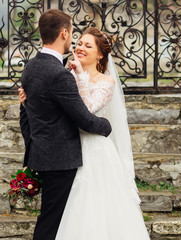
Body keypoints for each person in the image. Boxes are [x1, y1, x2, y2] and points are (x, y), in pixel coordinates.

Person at [20, 27, 150, 239]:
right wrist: (29, 98)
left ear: (100, 54)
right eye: (79, 43)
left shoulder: (105, 81)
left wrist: (81, 76)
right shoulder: (64, 73)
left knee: (94, 209)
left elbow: (87, 112)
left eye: (88, 46)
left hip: (94, 150)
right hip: (65, 148)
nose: (80, 47)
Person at [18, 10, 112, 240]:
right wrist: (106, 126)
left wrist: (32, 145)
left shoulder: (30, 67)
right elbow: (84, 119)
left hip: (43, 154)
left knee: (55, 220)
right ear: (63, 33)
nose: (73, 39)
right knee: (52, 224)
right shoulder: (59, 74)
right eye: (71, 32)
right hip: (61, 159)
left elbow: (26, 114)